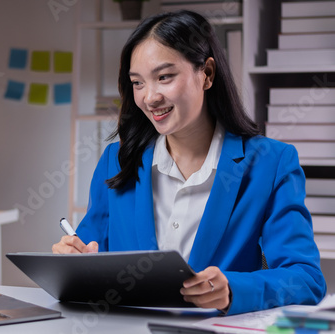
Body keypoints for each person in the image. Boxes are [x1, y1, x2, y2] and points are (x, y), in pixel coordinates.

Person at [52, 10, 326, 315]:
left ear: (206, 74)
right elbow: (90, 256)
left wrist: (232, 290)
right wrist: (71, 261)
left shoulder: (270, 163)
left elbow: (306, 279)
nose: (149, 97)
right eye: (138, 83)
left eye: (164, 77)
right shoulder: (116, 162)